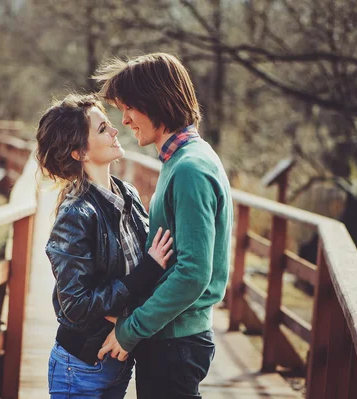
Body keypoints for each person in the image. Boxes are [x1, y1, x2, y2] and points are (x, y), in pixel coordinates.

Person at [93, 53, 234, 399]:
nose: (124, 120)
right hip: (171, 337)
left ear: (156, 102)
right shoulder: (184, 159)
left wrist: (131, 330)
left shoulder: (189, 169)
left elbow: (193, 273)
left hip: (176, 343)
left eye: (129, 108)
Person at [35, 93, 174, 398]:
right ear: (79, 153)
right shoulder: (75, 214)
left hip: (118, 362)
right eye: (102, 130)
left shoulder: (128, 194)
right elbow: (74, 306)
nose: (115, 131)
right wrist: (145, 274)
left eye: (108, 125)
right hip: (81, 368)